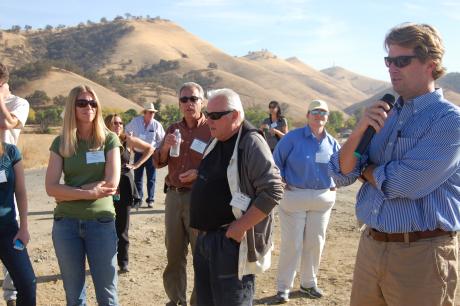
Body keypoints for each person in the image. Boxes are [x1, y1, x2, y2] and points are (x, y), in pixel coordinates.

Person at [328, 23, 460, 306]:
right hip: (371, 247)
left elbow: (404, 183)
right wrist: (360, 129)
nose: (392, 68)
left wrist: (365, 169)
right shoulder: (383, 113)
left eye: (402, 61)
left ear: (431, 65)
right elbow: (339, 173)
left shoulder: (450, 121)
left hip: (422, 256)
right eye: (389, 60)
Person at [190, 88, 284, 306]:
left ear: (234, 115)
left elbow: (273, 189)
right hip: (207, 241)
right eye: (207, 114)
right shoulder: (218, 139)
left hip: (229, 243)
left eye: (214, 116)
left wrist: (240, 226)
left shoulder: (251, 142)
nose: (208, 120)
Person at [45, 85, 121, 305]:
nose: (89, 107)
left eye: (93, 103)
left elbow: (111, 184)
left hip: (101, 222)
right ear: (73, 107)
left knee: (107, 294)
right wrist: (89, 192)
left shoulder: (109, 140)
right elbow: (50, 188)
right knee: (74, 295)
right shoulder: (61, 143)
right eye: (82, 103)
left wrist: (68, 193)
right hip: (65, 225)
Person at [273, 99, 340, 303]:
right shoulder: (292, 138)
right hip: (294, 197)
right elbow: (275, 162)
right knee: (292, 244)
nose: (319, 116)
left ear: (327, 118)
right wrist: (282, 181)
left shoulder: (332, 142)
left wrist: (336, 181)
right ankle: (284, 287)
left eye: (323, 113)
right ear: (307, 115)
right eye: (315, 112)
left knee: (315, 243)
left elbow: (339, 165)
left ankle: (309, 284)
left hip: (322, 199)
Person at [153, 82, 211, 306]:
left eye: (193, 99)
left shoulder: (211, 128)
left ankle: (199, 302)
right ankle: (176, 301)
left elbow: (220, 164)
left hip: (200, 198)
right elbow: (159, 162)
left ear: (202, 102)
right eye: (184, 100)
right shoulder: (172, 128)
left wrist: (199, 173)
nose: (189, 104)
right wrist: (165, 147)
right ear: (179, 103)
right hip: (174, 197)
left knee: (201, 255)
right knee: (174, 255)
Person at [104, 114, 154, 274]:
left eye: (120, 123)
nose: (118, 125)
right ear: (107, 125)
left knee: (122, 227)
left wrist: (136, 165)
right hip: (106, 188)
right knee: (104, 225)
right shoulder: (101, 141)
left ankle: (123, 262)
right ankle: (105, 261)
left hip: (124, 186)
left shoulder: (127, 140)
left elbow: (150, 149)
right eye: (114, 123)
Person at [0, 63, 30, 306]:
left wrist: (0, 99)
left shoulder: (19, 103)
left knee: (13, 233)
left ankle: (11, 294)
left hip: (8, 169)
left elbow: (8, 124)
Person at [125, 103, 165, 208]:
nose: (152, 114)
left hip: (151, 154)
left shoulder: (157, 125)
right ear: (145, 112)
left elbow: (162, 140)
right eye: (150, 112)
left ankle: (150, 200)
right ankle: (139, 199)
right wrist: (131, 144)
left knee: (151, 178)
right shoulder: (135, 121)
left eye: (153, 112)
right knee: (138, 177)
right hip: (138, 154)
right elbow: (126, 130)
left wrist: (157, 151)